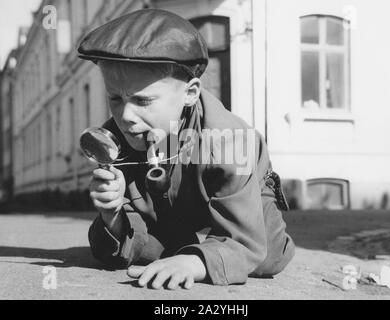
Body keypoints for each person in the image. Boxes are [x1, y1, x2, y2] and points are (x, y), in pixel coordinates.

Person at [78, 8, 295, 290]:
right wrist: (112, 213)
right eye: (115, 98)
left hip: (243, 186)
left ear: (190, 93)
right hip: (173, 198)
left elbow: (246, 242)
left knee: (265, 257)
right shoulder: (116, 138)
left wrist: (194, 264)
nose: (126, 115)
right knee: (152, 250)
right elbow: (121, 241)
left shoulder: (229, 141)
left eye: (142, 101)